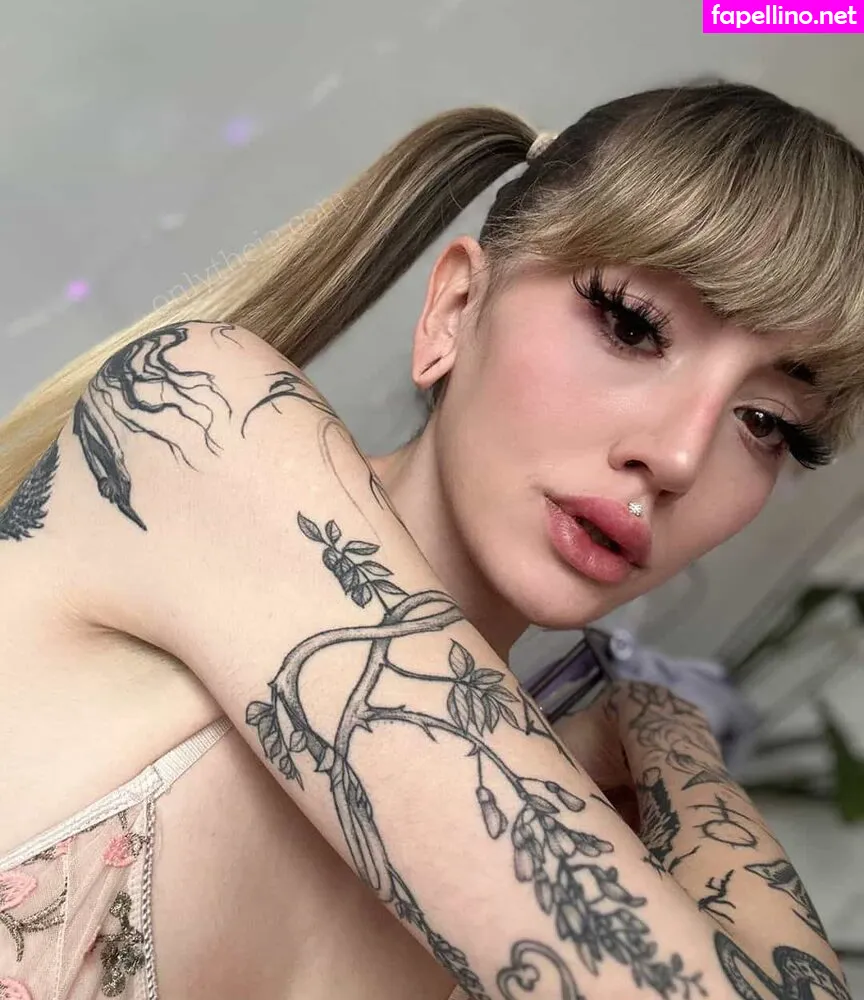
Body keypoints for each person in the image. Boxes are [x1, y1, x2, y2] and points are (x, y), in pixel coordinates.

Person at [0, 80, 859, 1000]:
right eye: (630, 324)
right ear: (454, 308)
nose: (680, 455)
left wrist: (664, 732)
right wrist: (667, 733)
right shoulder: (196, 416)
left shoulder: (549, 815)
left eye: (766, 421)